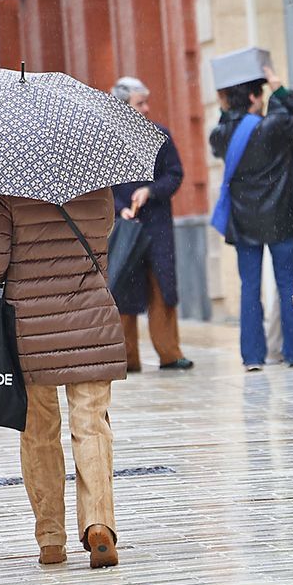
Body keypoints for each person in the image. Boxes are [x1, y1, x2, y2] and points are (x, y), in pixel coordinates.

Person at [0, 187, 127, 569]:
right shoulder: (97, 178)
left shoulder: (7, 192)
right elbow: (102, 232)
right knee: (91, 426)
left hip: (31, 327)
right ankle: (98, 526)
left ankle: (51, 538)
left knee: (38, 431)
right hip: (91, 320)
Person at [210, 65, 293, 370]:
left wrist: (225, 105)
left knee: (249, 288)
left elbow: (223, 130)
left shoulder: (221, 134)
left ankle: (252, 357)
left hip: (244, 221)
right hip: (280, 216)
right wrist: (280, 89)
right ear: (257, 96)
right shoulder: (274, 127)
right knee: (288, 285)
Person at [110, 77, 193, 373]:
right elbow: (102, 187)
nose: (146, 108)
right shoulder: (107, 142)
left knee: (163, 290)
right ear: (123, 107)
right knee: (121, 292)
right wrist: (120, 209)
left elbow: (175, 174)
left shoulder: (161, 136)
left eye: (146, 102)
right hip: (124, 228)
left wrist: (151, 191)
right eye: (140, 103)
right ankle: (125, 358)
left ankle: (170, 354)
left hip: (157, 226)